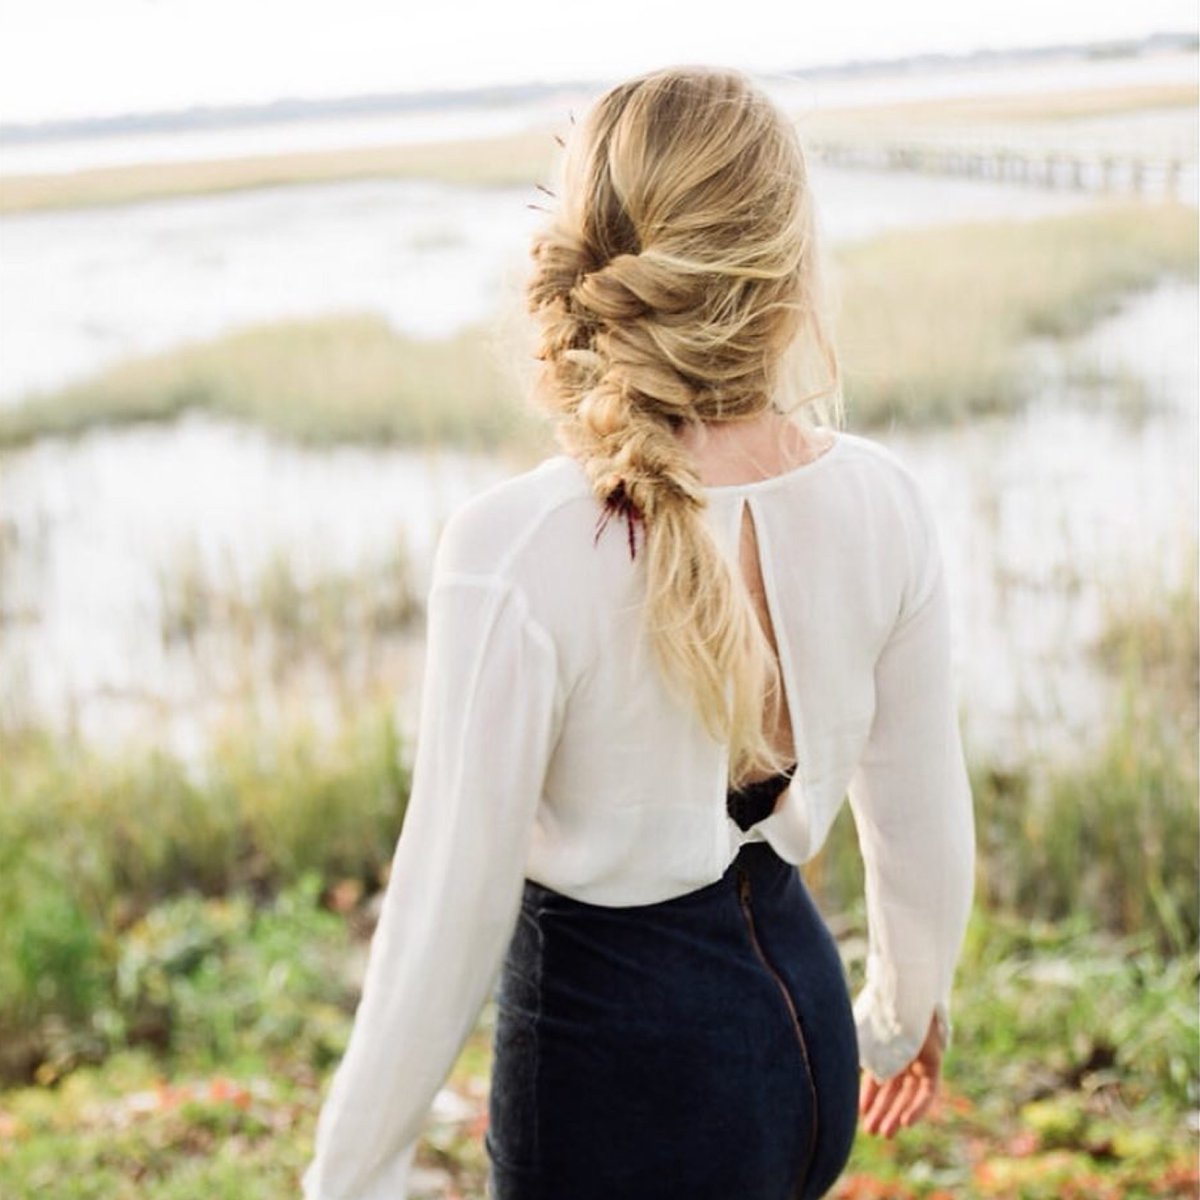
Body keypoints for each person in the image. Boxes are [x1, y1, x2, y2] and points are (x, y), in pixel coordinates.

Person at [301, 65, 975, 1200]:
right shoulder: (884, 500)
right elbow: (922, 824)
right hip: (804, 1055)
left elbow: (442, 922)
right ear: (788, 268)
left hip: (619, 1097)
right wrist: (904, 1017)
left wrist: (346, 1180)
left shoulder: (515, 550)